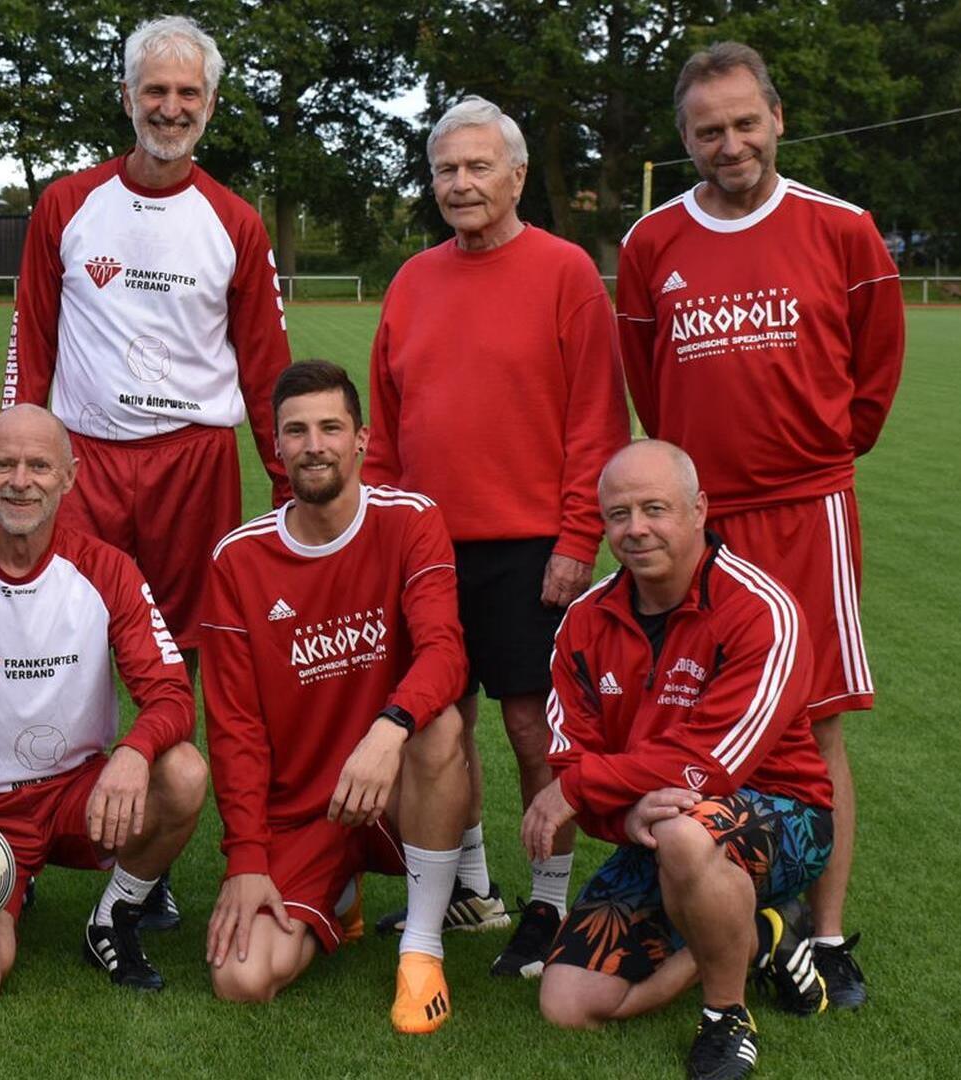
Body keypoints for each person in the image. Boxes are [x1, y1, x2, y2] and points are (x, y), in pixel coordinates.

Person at [616, 41, 904, 1009]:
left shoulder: (844, 229)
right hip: (703, 521)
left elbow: (871, 382)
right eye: (709, 130)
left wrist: (810, 455)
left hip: (807, 510)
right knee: (700, 716)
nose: (729, 143)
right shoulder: (651, 244)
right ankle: (725, 904)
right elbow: (649, 386)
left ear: (777, 117)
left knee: (814, 725)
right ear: (686, 139)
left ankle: (823, 938)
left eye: (745, 122)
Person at [4, 12, 292, 927]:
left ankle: (149, 857)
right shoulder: (66, 204)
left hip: (193, 464)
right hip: (86, 463)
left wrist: (287, 491)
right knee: (59, 645)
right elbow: (33, 347)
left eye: (187, 94)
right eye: (155, 91)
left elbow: (265, 365)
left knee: (180, 658)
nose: (170, 108)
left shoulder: (234, 221)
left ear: (209, 105)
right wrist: (20, 454)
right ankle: (32, 833)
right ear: (126, 97)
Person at [362, 96, 627, 971]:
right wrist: (382, 532)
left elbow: (597, 418)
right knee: (438, 724)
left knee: (528, 727)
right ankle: (471, 885)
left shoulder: (565, 273)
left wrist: (576, 537)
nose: (462, 183)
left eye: (480, 167)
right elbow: (387, 433)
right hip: (427, 545)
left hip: (531, 549)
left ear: (516, 176)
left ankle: (548, 906)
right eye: (447, 169)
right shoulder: (411, 280)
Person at [0, 404, 206, 1000]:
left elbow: (172, 695)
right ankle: (1, 884)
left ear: (69, 476)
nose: (21, 480)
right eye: (4, 465)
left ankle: (115, 917)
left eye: (39, 466)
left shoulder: (108, 570)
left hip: (79, 795)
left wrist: (132, 751)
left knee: (181, 771)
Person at [528, 440, 835, 1080]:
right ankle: (754, 934)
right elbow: (573, 769)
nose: (635, 529)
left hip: (785, 813)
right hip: (654, 829)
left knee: (687, 834)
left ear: (699, 510)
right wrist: (620, 813)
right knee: (567, 1003)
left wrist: (588, 790)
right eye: (618, 514)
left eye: (654, 509)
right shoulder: (583, 623)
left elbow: (711, 763)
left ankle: (726, 1017)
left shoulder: (760, 609)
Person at [202, 361, 471, 1035]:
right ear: (276, 447)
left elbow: (445, 652)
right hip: (305, 810)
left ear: (362, 441)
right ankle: (338, 894)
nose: (314, 444)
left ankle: (421, 948)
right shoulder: (237, 561)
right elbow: (234, 727)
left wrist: (388, 730)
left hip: (392, 788)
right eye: (296, 431)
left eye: (330, 427)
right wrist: (245, 859)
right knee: (242, 980)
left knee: (435, 728)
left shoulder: (411, 520)